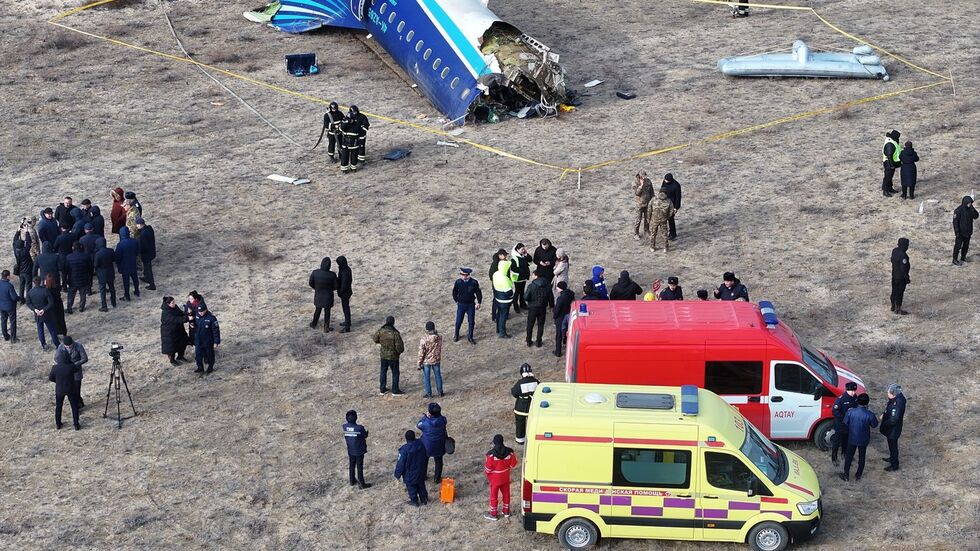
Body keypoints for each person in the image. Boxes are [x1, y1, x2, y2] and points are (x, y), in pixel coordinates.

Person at [840, 392, 878, 481]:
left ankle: (846, 474)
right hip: (864, 439)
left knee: (849, 456)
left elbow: (845, 422)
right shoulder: (870, 414)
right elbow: (874, 425)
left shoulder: (850, 412)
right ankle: (858, 475)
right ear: (867, 403)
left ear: (857, 401)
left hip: (852, 438)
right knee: (862, 457)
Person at [484, 434, 518, 521]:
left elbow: (488, 469)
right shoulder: (510, 452)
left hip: (494, 479)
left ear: (494, 442)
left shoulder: (491, 455)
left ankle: (493, 514)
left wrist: (488, 474)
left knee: (494, 496)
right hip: (505, 477)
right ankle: (506, 511)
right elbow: (513, 464)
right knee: (506, 494)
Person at [394, 430, 428, 506]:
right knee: (421, 485)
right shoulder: (421, 444)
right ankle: (424, 499)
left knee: (412, 488)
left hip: (410, 474)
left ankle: (414, 501)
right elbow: (425, 456)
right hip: (421, 471)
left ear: (406, 438)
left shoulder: (404, 450)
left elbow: (400, 464)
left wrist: (397, 474)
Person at [417, 402, 448, 483]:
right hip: (440, 445)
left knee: (424, 461)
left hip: (427, 446)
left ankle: (423, 476)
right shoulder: (443, 420)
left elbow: (418, 425)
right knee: (439, 462)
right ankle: (437, 479)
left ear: (430, 413)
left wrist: (426, 417)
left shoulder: (425, 422)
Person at [373, 316, 405, 395]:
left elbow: (375, 339)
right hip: (393, 357)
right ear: (393, 323)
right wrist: (398, 352)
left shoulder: (381, 331)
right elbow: (400, 347)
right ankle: (395, 390)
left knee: (383, 371)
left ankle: (382, 389)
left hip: (383, 355)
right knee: (395, 373)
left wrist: (382, 343)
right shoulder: (395, 334)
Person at [54, 335, 88, 408]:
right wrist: (64, 365)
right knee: (71, 391)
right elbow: (56, 358)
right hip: (67, 372)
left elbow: (84, 358)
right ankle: (76, 404)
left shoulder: (78, 346)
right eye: (67, 346)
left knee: (77, 389)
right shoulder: (61, 347)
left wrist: (75, 364)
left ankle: (79, 403)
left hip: (76, 371)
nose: (69, 347)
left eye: (70, 346)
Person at [830, 382, 858, 466]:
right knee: (836, 442)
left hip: (849, 425)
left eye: (854, 391)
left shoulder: (855, 397)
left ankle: (844, 454)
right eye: (851, 391)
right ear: (847, 390)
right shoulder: (841, 399)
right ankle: (834, 458)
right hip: (840, 424)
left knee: (846, 440)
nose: (853, 393)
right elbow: (834, 411)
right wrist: (844, 418)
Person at [880, 383, 907, 472]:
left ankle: (894, 464)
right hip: (893, 429)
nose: (887, 394)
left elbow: (893, 420)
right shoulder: (898, 398)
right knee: (891, 445)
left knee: (893, 446)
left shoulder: (897, 405)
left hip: (893, 430)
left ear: (893, 394)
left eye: (888, 393)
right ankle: (892, 458)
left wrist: (884, 423)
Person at [49, 359, 81, 430]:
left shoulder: (55, 367)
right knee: (74, 407)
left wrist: (57, 381)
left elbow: (50, 378)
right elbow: (77, 369)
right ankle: (76, 424)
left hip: (59, 390)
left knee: (58, 407)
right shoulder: (71, 366)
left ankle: (58, 424)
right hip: (71, 389)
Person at [452, 267, 481, 344]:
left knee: (471, 322)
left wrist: (479, 302)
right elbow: (454, 292)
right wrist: (457, 301)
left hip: (470, 305)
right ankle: (456, 335)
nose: (462, 276)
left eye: (464, 275)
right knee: (458, 321)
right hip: (461, 305)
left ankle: (470, 337)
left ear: (468, 275)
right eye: (461, 274)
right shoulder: (458, 282)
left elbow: (478, 292)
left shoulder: (474, 282)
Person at [343, 410, 371, 489]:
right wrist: (367, 433)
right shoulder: (360, 428)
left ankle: (352, 480)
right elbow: (364, 435)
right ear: (356, 418)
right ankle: (361, 484)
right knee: (359, 466)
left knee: (352, 464)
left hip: (350, 450)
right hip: (359, 450)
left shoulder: (344, 426)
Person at [511, 363, 539, 445]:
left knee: (520, 424)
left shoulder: (520, 383)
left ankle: (520, 440)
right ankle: (532, 439)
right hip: (532, 408)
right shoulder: (536, 381)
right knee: (532, 424)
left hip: (520, 408)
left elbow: (514, 393)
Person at [27, 277, 57, 350]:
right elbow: (51, 302)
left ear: (33, 283)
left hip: (37, 314)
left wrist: (35, 310)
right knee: (52, 330)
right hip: (47, 314)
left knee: (40, 330)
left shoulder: (30, 292)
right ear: (41, 282)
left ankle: (43, 344)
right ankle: (57, 343)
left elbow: (28, 303)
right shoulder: (45, 291)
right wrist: (44, 310)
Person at [308, 257, 337, 331]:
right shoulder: (332, 275)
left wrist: (316, 288)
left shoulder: (315, 273)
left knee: (317, 310)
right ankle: (326, 327)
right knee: (327, 311)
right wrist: (330, 289)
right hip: (328, 296)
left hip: (318, 295)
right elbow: (336, 286)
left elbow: (310, 283)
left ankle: (314, 323)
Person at [524, 269, 550, 348]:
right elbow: (550, 296)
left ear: (536, 276)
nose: (532, 276)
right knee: (541, 325)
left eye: (533, 275)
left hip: (533, 308)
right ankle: (539, 341)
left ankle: (529, 341)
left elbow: (526, 297)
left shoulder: (531, 286)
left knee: (530, 325)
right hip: (543, 307)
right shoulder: (547, 285)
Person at [491, 255, 516, 338]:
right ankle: (502, 333)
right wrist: (512, 293)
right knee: (503, 316)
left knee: (499, 314)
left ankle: (498, 329)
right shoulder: (504, 278)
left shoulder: (495, 274)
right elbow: (509, 292)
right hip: (505, 300)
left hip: (498, 297)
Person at [417, 321, 444, 398]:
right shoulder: (439, 337)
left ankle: (429, 394)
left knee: (426, 377)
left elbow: (421, 352)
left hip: (427, 361)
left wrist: (419, 363)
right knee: (438, 376)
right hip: (436, 359)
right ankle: (440, 392)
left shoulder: (424, 339)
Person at [65, 242, 93, 314]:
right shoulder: (86, 256)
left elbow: (66, 269)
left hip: (72, 280)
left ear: (73, 248)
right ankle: (81, 307)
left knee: (71, 295)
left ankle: (69, 308)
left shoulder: (68, 257)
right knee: (83, 294)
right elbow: (90, 268)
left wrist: (66, 279)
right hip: (83, 279)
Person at [160, 296, 189, 366]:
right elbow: (176, 320)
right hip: (169, 333)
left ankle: (180, 356)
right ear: (168, 304)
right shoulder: (166, 313)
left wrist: (186, 313)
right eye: (172, 303)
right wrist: (186, 318)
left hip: (179, 330)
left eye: (174, 302)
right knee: (171, 348)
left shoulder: (175, 307)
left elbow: (180, 313)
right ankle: (172, 360)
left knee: (182, 344)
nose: (174, 304)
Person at [194, 303, 220, 374]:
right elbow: (195, 324)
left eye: (202, 311)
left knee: (209, 355)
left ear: (205, 310)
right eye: (199, 311)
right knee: (198, 355)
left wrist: (216, 342)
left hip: (208, 341)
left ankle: (210, 367)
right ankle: (200, 367)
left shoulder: (211, 318)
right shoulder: (197, 315)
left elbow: (216, 330)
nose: (200, 313)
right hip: (198, 340)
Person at [115, 227, 140, 300]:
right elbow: (137, 252)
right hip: (133, 263)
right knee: (135, 278)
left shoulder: (120, 244)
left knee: (126, 281)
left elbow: (118, 256)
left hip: (124, 265)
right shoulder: (134, 241)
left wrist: (118, 263)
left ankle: (127, 295)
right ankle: (137, 291)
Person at [952, 196, 977, 265]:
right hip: (960, 233)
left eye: (971, 203)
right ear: (965, 202)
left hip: (968, 232)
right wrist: (957, 232)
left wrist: (973, 209)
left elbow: (976, 216)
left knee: (966, 246)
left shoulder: (970, 209)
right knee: (958, 246)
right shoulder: (958, 210)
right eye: (969, 203)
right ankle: (954, 259)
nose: (970, 204)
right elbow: (955, 222)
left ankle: (963, 257)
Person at [93, 238, 116, 311]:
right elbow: (114, 259)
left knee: (102, 290)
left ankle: (104, 306)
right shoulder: (111, 250)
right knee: (112, 288)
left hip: (102, 274)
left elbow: (96, 264)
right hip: (110, 272)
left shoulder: (98, 253)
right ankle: (114, 302)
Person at [553, 281, 574, 357]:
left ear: (560, 288)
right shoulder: (571, 294)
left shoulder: (560, 298)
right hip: (568, 315)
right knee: (567, 331)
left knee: (559, 335)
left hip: (561, 318)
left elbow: (557, 310)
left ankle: (558, 352)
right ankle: (565, 342)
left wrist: (554, 316)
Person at [890, 238, 911, 314]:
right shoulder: (903, 255)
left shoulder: (894, 251)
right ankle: (898, 308)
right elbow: (903, 268)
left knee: (894, 290)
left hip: (894, 275)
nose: (907, 247)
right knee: (899, 292)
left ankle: (893, 305)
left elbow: (892, 260)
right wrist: (907, 277)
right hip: (901, 278)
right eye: (907, 245)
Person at [631, 171, 655, 240]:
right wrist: (641, 186)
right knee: (638, 219)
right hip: (640, 204)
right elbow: (637, 193)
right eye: (643, 177)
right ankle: (636, 233)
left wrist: (653, 200)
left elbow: (652, 192)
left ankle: (646, 231)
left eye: (645, 176)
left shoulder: (648, 181)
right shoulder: (635, 183)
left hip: (648, 203)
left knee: (647, 218)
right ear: (639, 176)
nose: (644, 178)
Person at [135, 218, 156, 290]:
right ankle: (146, 278)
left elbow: (143, 247)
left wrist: (138, 250)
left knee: (148, 269)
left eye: (137, 224)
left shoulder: (143, 234)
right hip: (151, 251)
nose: (136, 226)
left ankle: (152, 285)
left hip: (146, 254)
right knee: (146, 268)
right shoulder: (149, 228)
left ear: (140, 225)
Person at [510, 243, 532, 314]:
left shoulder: (523, 256)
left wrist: (526, 254)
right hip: (518, 278)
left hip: (523, 277)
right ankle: (515, 306)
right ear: (517, 250)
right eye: (522, 249)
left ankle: (522, 304)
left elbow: (530, 259)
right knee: (517, 292)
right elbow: (514, 268)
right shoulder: (514, 258)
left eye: (524, 249)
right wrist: (523, 270)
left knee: (522, 292)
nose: (523, 250)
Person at [660, 173, 682, 240]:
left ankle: (672, 234)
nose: (665, 181)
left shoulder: (676, 185)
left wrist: (676, 207)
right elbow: (661, 190)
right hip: (664, 203)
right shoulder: (664, 182)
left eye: (666, 180)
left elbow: (678, 197)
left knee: (671, 219)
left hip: (672, 205)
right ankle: (664, 231)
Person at [45, 273, 67, 338]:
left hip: (52, 307)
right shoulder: (57, 287)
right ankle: (64, 332)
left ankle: (56, 333)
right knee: (61, 319)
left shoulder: (46, 290)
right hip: (59, 304)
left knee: (54, 320)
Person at [881, 130, 902, 197]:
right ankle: (885, 190)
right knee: (887, 177)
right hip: (889, 163)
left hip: (891, 162)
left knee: (890, 177)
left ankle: (890, 188)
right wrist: (892, 164)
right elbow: (889, 155)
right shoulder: (890, 144)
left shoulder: (892, 141)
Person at [335, 256, 353, 332]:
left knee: (346, 308)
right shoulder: (346, 268)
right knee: (345, 308)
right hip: (347, 291)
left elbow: (344, 284)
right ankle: (347, 322)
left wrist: (340, 291)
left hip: (345, 293)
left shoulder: (344, 271)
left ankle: (347, 326)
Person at [0, 270, 18, 343]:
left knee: (3, 321)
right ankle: (13, 338)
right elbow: (14, 297)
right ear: (7, 276)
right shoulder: (9, 286)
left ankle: (5, 336)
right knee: (12, 322)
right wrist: (19, 298)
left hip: (1, 306)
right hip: (10, 307)